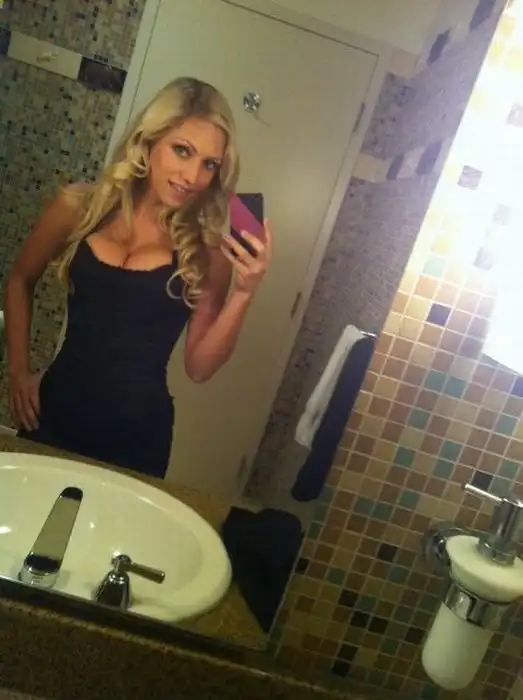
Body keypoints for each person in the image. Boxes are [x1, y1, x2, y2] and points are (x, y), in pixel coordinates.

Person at [5, 77, 272, 478]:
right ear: (149, 141)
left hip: (137, 439)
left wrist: (245, 293)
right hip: (53, 412)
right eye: (182, 150)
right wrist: (17, 370)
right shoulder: (79, 207)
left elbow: (199, 368)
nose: (192, 176)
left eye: (209, 164)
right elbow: (20, 280)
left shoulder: (206, 251)